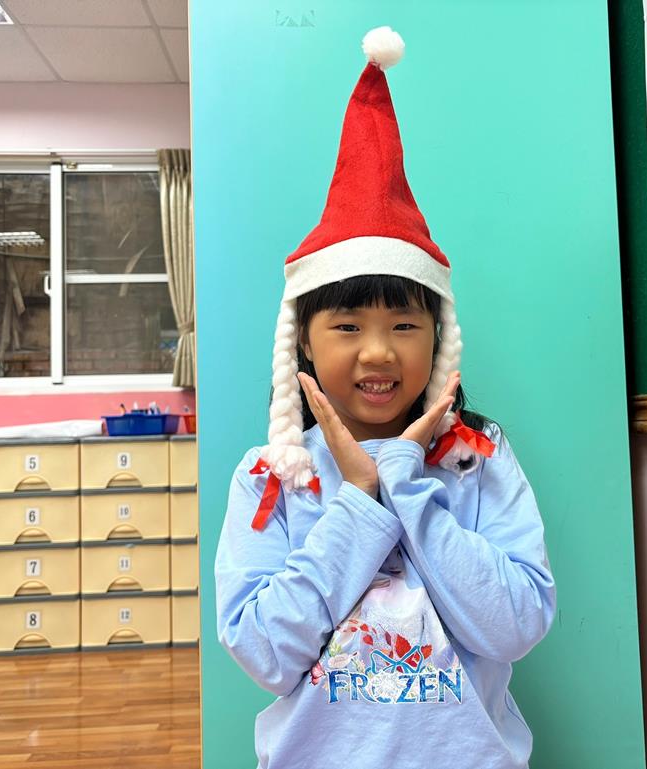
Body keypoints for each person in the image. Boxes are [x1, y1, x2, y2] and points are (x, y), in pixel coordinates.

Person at [214, 26, 556, 769]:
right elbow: (265, 652)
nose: (378, 351)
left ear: (438, 337)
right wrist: (359, 502)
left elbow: (516, 624)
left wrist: (402, 476)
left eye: (404, 324)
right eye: (347, 326)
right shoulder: (272, 479)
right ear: (304, 342)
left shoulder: (477, 460)